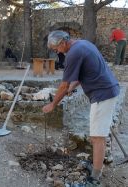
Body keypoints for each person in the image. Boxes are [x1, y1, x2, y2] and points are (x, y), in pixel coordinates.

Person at [42, 30, 119, 186]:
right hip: (107, 90)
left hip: (102, 95)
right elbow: (83, 73)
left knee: (97, 138)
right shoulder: (83, 44)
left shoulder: (73, 54)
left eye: (56, 49)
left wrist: (52, 104)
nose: (57, 52)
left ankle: (95, 178)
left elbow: (63, 86)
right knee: (98, 135)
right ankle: (97, 166)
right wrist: (73, 86)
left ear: (62, 43)